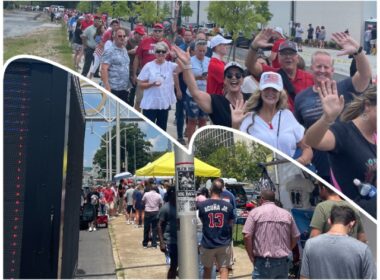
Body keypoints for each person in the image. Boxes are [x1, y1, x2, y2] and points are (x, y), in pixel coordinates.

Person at [294, 31, 372, 182]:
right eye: (318, 66)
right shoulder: (301, 98)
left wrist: (358, 52)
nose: (322, 70)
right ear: (311, 68)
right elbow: (300, 134)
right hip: (320, 168)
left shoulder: (346, 87)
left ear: (332, 70)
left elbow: (365, 75)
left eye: (326, 67)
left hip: (350, 165)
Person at [304, 82, 376, 218]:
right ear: (367, 106)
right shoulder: (344, 132)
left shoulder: (375, 137)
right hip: (354, 220)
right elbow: (312, 141)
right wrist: (327, 118)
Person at [231, 71, 313, 165]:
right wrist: (235, 125)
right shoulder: (249, 117)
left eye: (274, 90)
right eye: (267, 89)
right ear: (260, 91)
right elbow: (238, 149)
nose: (270, 93)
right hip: (260, 175)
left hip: (289, 175)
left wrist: (300, 162)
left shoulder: (287, 115)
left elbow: (307, 147)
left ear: (280, 93)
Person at [174, 45, 249, 128]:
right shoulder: (216, 101)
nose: (234, 77)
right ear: (224, 80)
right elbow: (195, 93)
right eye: (229, 75)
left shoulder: (251, 100)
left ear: (242, 79)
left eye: (238, 75)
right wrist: (187, 65)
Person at [245, 29, 314, 111]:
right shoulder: (272, 74)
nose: (288, 56)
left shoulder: (309, 78)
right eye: (284, 54)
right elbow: (250, 65)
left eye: (291, 53)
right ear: (279, 58)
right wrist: (254, 46)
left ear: (297, 58)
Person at [300, 205, 376, 279]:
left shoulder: (310, 245)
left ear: (329, 221)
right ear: (352, 223)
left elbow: (304, 278)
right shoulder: (363, 249)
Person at [242, 189, 300, 279]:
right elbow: (296, 235)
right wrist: (288, 248)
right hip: (282, 260)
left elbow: (247, 236)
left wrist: (251, 256)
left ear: (262, 199)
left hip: (262, 261)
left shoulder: (255, 213)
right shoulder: (286, 214)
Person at [137, 41, 180, 131]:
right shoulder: (148, 66)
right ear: (155, 53)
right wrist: (151, 84)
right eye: (158, 51)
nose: (161, 53)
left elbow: (185, 67)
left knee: (162, 131)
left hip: (163, 104)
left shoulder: (170, 66)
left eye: (163, 51)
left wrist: (175, 56)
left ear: (166, 53)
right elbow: (140, 85)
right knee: (148, 131)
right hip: (150, 104)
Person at [198, 182, 235, 279]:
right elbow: (230, 223)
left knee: (207, 269)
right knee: (224, 269)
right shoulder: (228, 206)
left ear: (210, 191)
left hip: (208, 242)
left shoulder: (202, 205)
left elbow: (203, 221)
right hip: (224, 242)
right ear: (221, 192)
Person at [132, 23, 172, 112]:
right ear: (152, 31)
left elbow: (170, 62)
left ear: (163, 32)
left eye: (159, 31)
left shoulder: (166, 44)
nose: (157, 33)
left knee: (157, 101)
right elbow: (137, 58)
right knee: (139, 100)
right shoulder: (145, 41)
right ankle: (136, 121)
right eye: (155, 31)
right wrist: (134, 74)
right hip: (145, 77)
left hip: (160, 78)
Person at [185, 39, 210, 140]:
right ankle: (191, 142)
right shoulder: (190, 60)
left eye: (204, 51)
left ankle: (201, 142)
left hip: (205, 94)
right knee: (192, 120)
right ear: (195, 50)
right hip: (192, 95)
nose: (202, 53)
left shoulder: (209, 60)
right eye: (200, 50)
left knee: (203, 119)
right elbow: (186, 77)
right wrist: (197, 77)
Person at [101, 28, 130, 103]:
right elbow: (104, 69)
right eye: (120, 36)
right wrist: (107, 87)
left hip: (124, 88)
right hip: (113, 88)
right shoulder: (110, 51)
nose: (122, 38)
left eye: (124, 36)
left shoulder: (124, 49)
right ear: (114, 37)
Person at [177, 29, 195, 145]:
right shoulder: (181, 49)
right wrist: (177, 89)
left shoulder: (198, 60)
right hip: (182, 88)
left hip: (191, 90)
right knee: (180, 113)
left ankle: (187, 132)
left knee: (190, 115)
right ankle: (179, 135)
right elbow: (176, 73)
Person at [158, 187, 178, 279]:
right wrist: (162, 242)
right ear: (171, 194)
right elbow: (159, 225)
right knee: (173, 266)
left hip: (179, 240)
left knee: (177, 265)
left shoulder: (179, 207)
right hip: (170, 241)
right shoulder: (165, 208)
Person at [126, 25, 145, 107]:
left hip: (139, 68)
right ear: (135, 33)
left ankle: (135, 107)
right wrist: (131, 51)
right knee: (131, 89)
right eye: (139, 34)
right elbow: (122, 52)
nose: (141, 36)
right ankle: (129, 106)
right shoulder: (128, 41)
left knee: (137, 90)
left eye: (142, 35)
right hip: (129, 67)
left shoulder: (142, 42)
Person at [141, 182, 163, 248]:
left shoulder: (146, 194)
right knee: (154, 229)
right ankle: (154, 244)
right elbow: (161, 204)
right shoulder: (159, 195)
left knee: (146, 228)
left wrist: (146, 205)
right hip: (155, 212)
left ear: (150, 188)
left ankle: (145, 243)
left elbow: (143, 201)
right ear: (156, 189)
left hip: (147, 211)